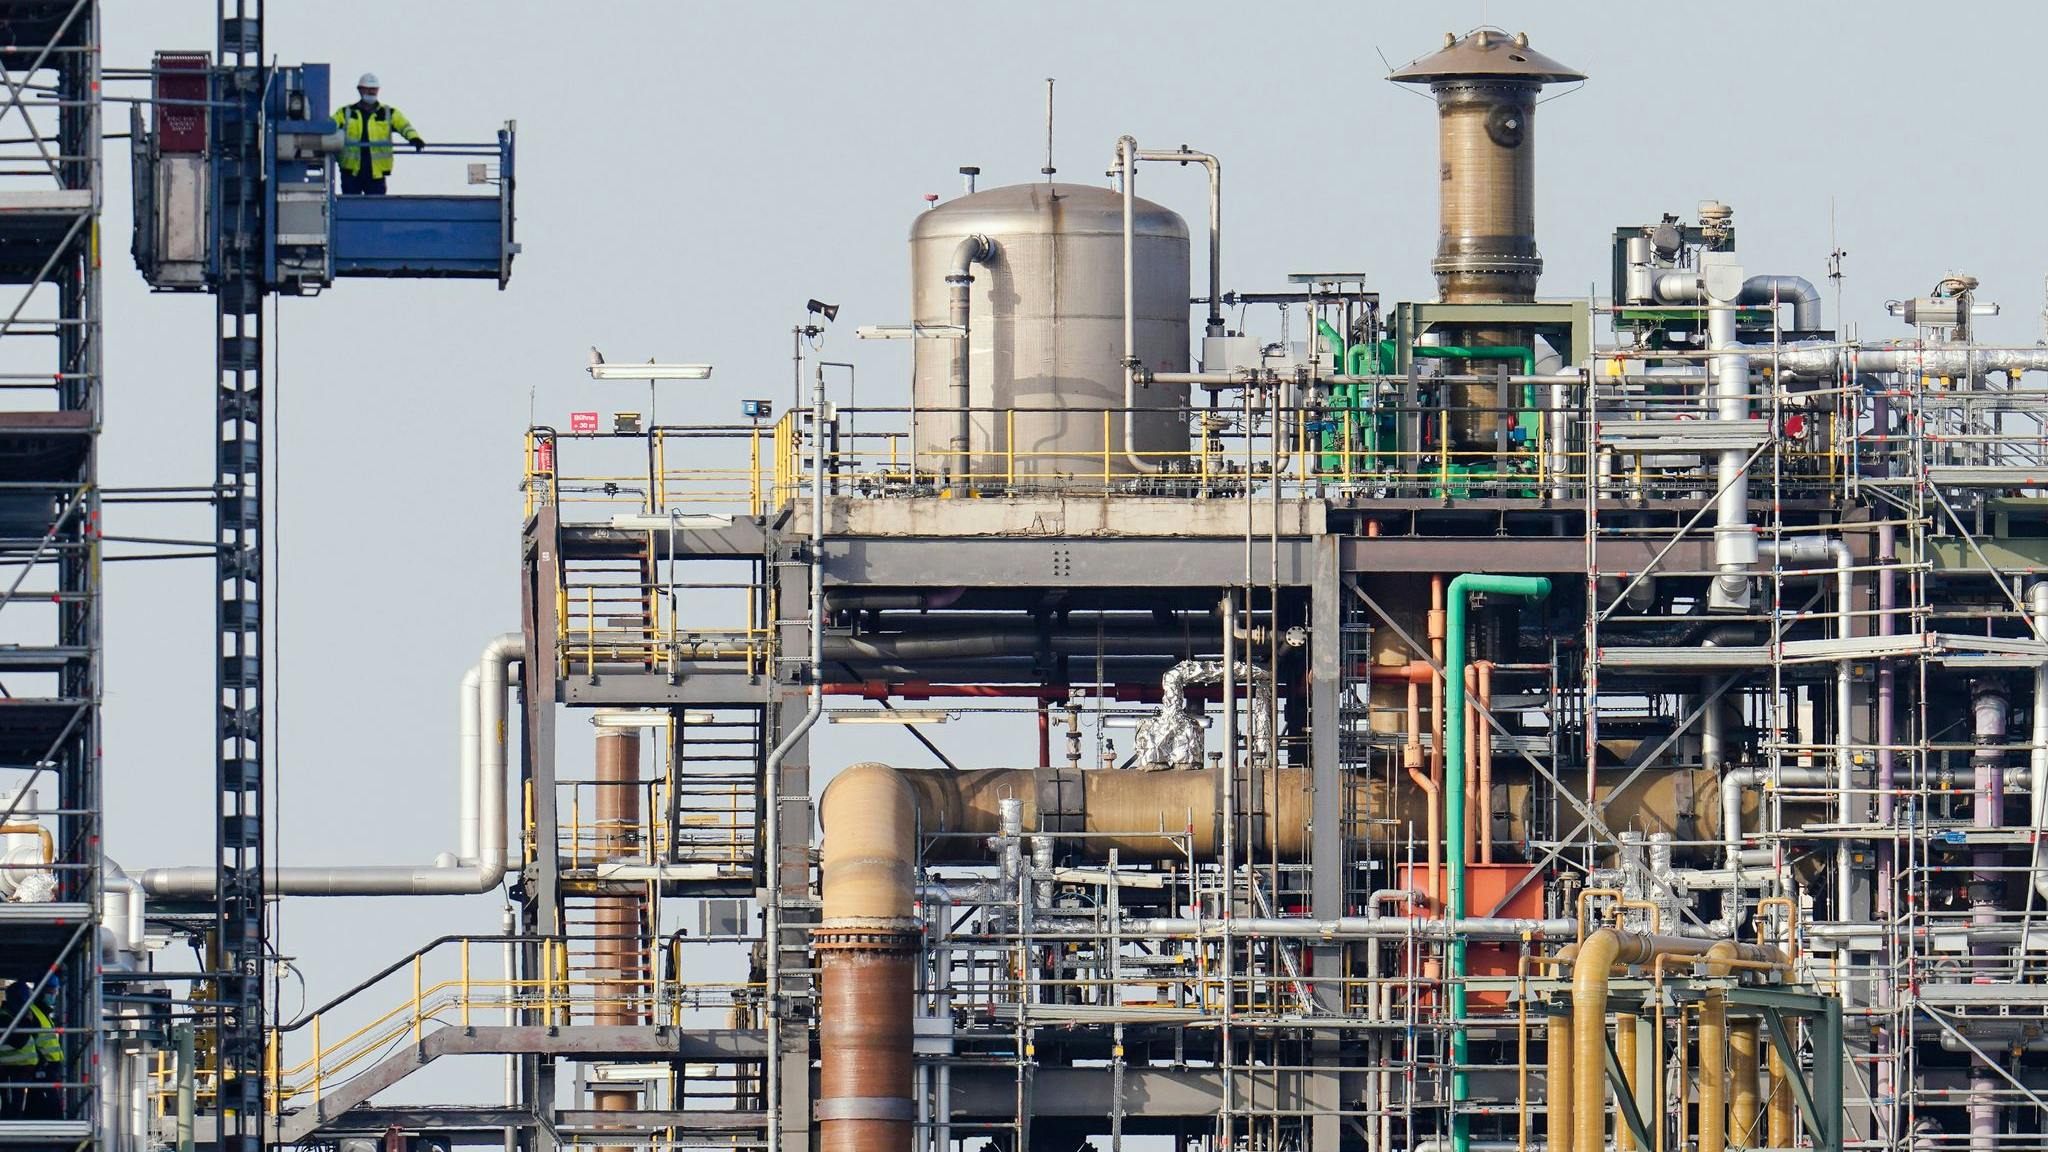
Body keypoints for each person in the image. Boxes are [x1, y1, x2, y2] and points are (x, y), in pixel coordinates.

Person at [332, 72, 426, 196]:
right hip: (351, 171)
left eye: (374, 89)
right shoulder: (345, 112)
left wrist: (414, 138)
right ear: (360, 90)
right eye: (368, 89)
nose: (371, 92)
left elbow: (404, 126)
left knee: (376, 205)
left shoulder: (388, 113)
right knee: (350, 205)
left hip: (376, 172)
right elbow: (330, 126)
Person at [0, 980, 60, 1120]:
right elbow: (19, 1041)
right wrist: (27, 1020)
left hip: (25, 1068)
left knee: (20, 1103)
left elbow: (34, 1037)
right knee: (11, 1105)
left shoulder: (18, 1015)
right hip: (9, 1067)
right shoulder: (4, 1017)